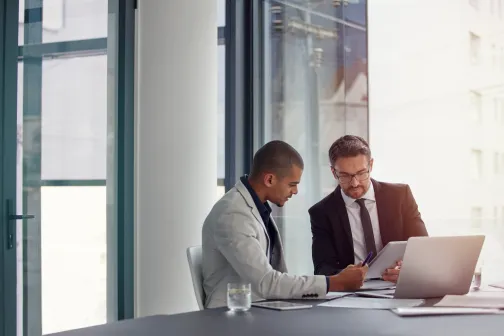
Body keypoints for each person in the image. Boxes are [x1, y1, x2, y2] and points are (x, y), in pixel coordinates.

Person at [202, 140, 367, 308]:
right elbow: (267, 282)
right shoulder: (233, 214)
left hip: (259, 307)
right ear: (270, 179)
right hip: (232, 316)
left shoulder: (256, 207)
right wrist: (334, 283)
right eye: (292, 184)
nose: (295, 191)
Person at [309, 135, 428, 283]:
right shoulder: (321, 212)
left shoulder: (400, 196)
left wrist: (408, 270)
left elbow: (424, 249)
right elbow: (323, 268)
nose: (355, 183)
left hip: (398, 286)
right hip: (353, 293)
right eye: (345, 176)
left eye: (361, 173)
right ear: (334, 172)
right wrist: (345, 276)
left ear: (371, 166)